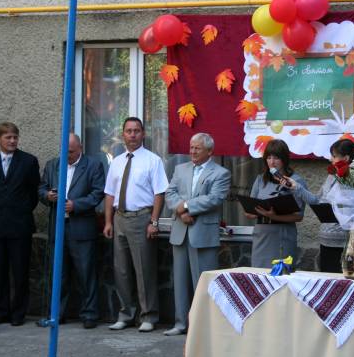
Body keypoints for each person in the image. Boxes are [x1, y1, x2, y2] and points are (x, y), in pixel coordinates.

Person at [102, 117, 169, 333]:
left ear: (143, 134)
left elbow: (159, 193)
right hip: (119, 218)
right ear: (123, 134)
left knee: (144, 270)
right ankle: (126, 314)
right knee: (121, 271)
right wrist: (108, 221)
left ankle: (148, 316)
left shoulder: (152, 160)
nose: (132, 134)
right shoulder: (117, 162)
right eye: (129, 131)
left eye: (136, 131)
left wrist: (154, 222)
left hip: (142, 219)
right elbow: (109, 194)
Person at [164, 133, 231, 336]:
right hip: (180, 231)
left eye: (197, 148)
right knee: (180, 282)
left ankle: (203, 327)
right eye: (191, 147)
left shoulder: (221, 173)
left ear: (209, 151)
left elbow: (215, 198)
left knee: (203, 284)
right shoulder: (180, 169)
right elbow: (170, 193)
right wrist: (181, 211)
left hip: (203, 233)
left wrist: (185, 206)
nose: (192, 151)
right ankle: (180, 324)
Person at [38, 133, 105, 329]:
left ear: (80, 148)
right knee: (59, 274)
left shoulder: (93, 165)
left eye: (71, 152)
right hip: (58, 227)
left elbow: (98, 193)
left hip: (81, 228)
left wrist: (76, 205)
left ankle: (90, 314)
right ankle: (57, 314)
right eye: (64, 151)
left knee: (86, 273)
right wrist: (47, 196)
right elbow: (41, 188)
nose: (66, 155)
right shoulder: (53, 164)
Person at [283, 139, 354, 272]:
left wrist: (353, 220)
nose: (330, 159)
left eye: (334, 156)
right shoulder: (332, 177)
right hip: (328, 242)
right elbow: (317, 200)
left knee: (352, 281)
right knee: (330, 282)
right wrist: (296, 187)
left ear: (346, 158)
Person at [0, 122, 40, 326]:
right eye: (8, 137)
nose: (12, 141)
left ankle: (18, 313)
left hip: (20, 225)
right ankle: (2, 311)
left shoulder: (29, 161)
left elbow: (33, 194)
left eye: (15, 137)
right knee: (0, 271)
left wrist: (19, 209)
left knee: (20, 271)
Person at [244, 139, 307, 269]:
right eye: (269, 157)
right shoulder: (260, 179)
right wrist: (255, 211)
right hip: (261, 234)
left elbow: (298, 216)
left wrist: (274, 216)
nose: (272, 162)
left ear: (284, 159)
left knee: (280, 274)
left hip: (282, 234)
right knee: (259, 274)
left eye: (276, 158)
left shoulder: (295, 181)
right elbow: (249, 211)